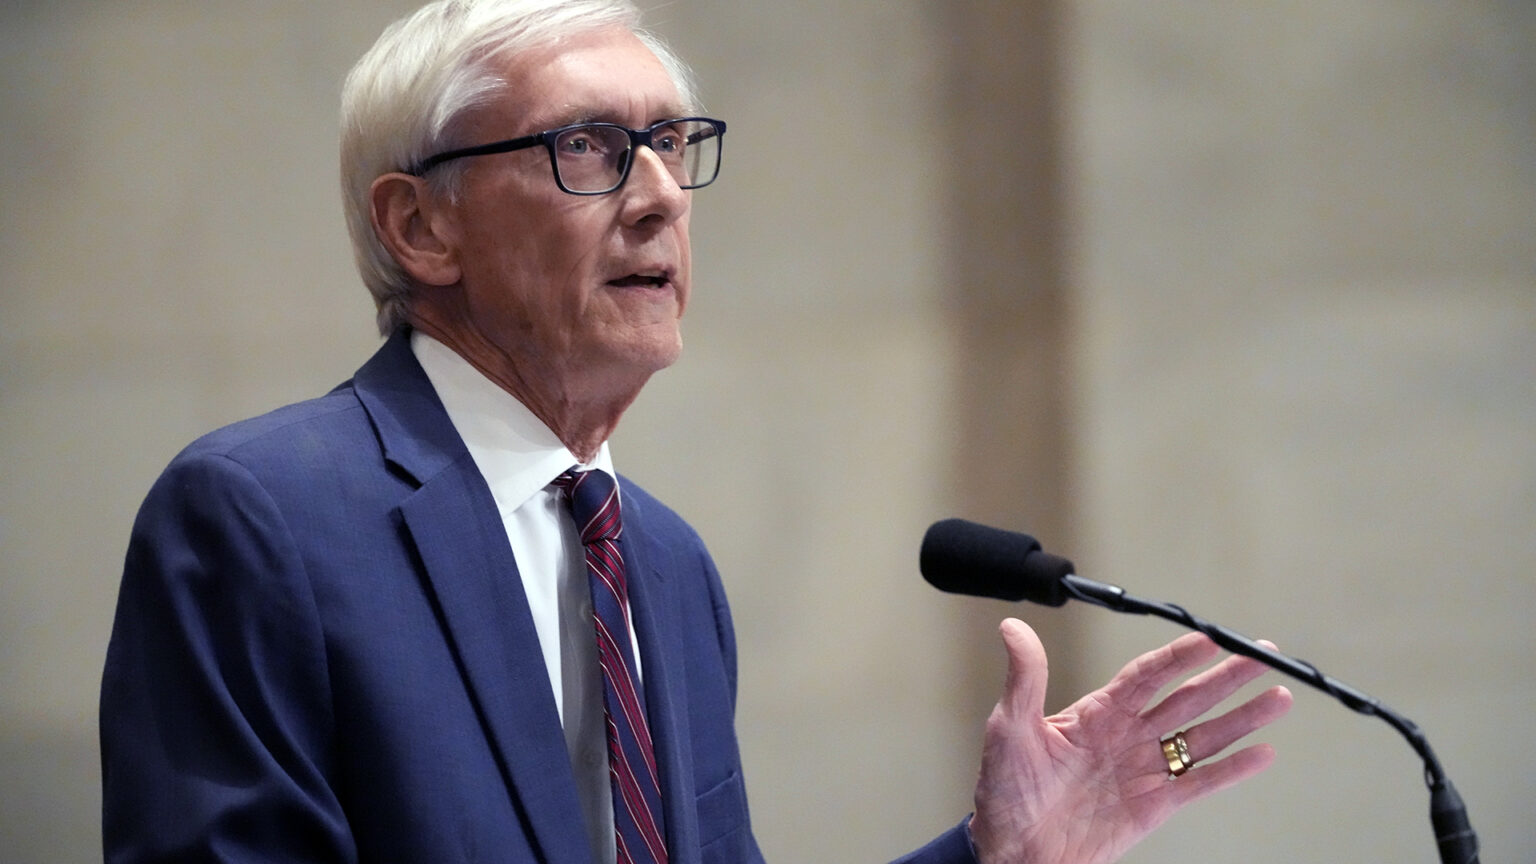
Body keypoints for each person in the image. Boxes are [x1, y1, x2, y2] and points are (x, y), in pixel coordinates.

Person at [99, 1, 1293, 862]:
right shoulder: (263, 518)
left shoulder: (661, 566)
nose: (662, 192)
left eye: (672, 144)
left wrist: (994, 855)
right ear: (421, 227)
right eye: (588, 147)